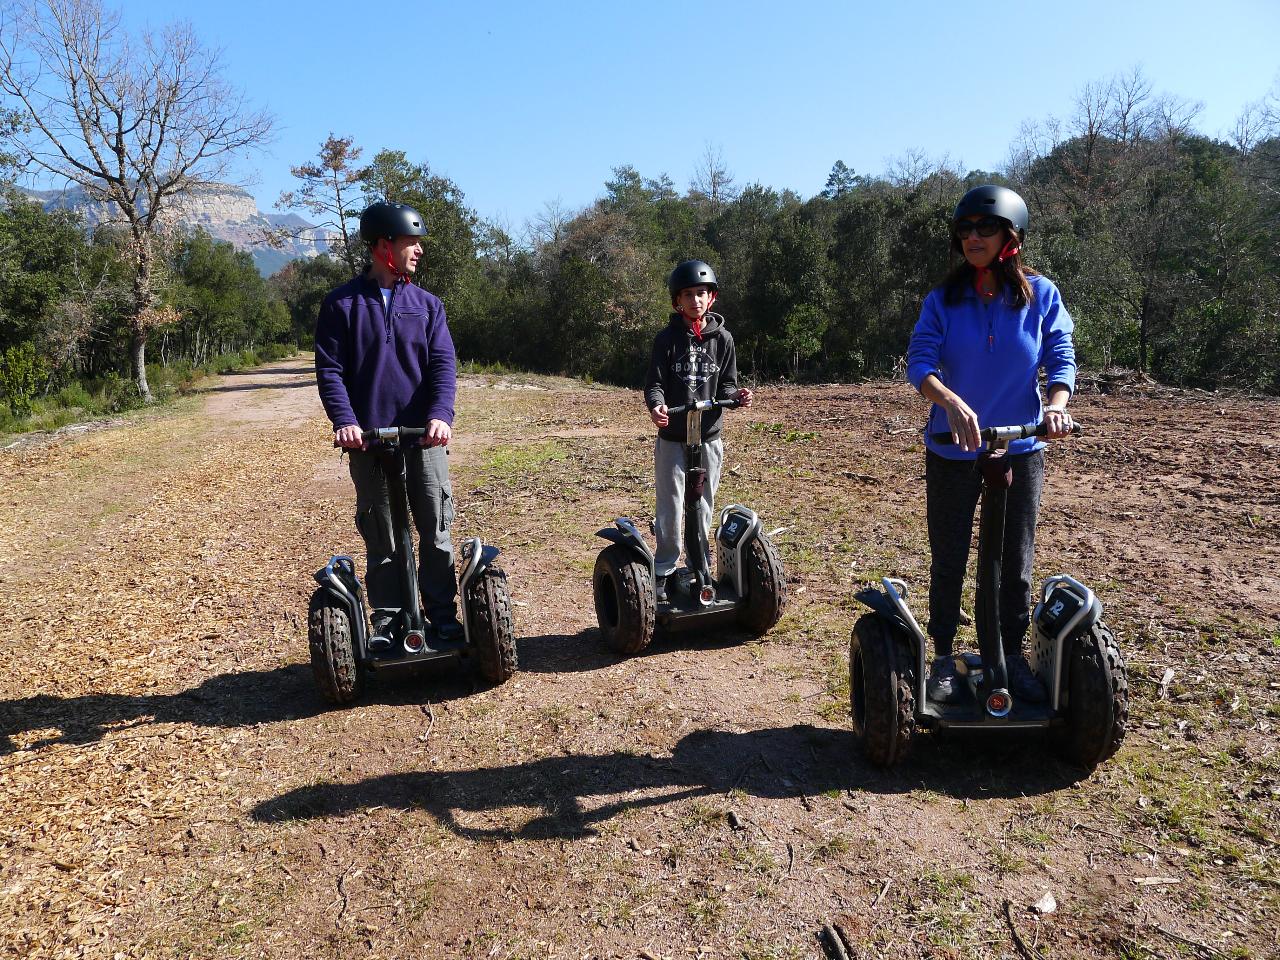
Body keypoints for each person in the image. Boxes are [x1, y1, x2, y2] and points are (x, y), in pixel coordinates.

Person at [905, 185, 1076, 704]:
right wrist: (949, 402)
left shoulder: (1041, 294)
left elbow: (1061, 354)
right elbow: (920, 363)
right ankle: (940, 655)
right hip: (952, 450)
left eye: (984, 228)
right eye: (965, 230)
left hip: (1021, 449)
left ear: (1011, 236)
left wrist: (1057, 404)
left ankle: (1011, 657)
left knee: (1015, 562)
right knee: (950, 556)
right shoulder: (944, 299)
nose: (972, 237)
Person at [314, 201, 463, 642]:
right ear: (383, 246)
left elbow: (443, 367)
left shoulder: (428, 305)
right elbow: (330, 371)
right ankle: (390, 618)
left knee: (436, 530)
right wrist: (345, 421)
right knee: (382, 536)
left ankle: (442, 614)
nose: (417, 251)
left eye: (418, 244)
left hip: (424, 440)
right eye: (410, 244)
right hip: (369, 442)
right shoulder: (341, 304)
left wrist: (440, 415)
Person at [644, 259, 752, 602]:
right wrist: (657, 406)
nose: (695, 300)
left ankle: (697, 566)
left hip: (708, 437)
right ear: (678, 301)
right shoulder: (666, 340)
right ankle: (663, 569)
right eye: (688, 294)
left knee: (703, 505)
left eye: (701, 293)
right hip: (674, 437)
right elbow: (655, 384)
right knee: (672, 506)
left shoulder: (723, 340)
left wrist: (737, 397)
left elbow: (728, 385)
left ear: (712, 298)